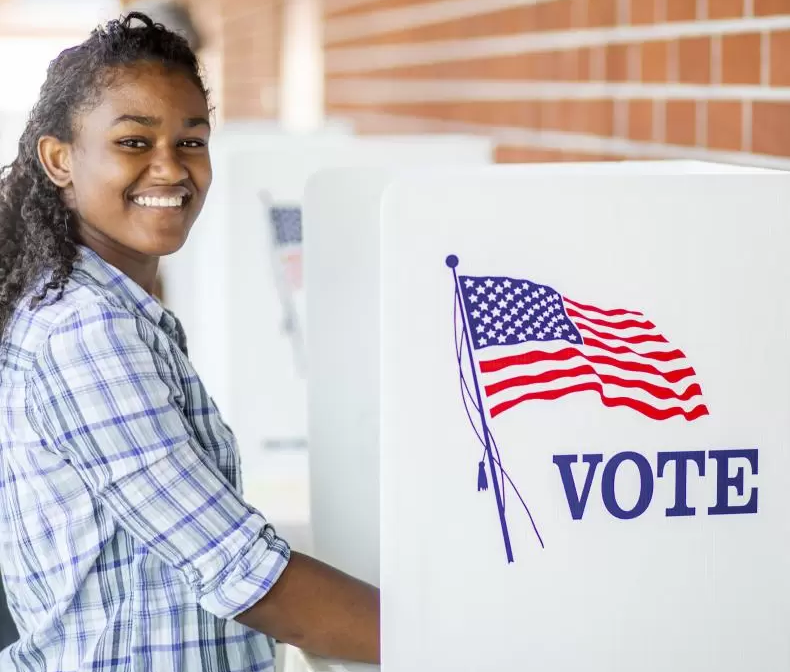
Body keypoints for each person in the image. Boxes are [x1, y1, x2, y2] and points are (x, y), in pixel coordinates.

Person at [0, 12, 379, 671]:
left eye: (192, 141)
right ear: (59, 159)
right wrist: (453, 636)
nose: (171, 168)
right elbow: (243, 571)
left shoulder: (111, 306)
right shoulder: (87, 331)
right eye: (133, 142)